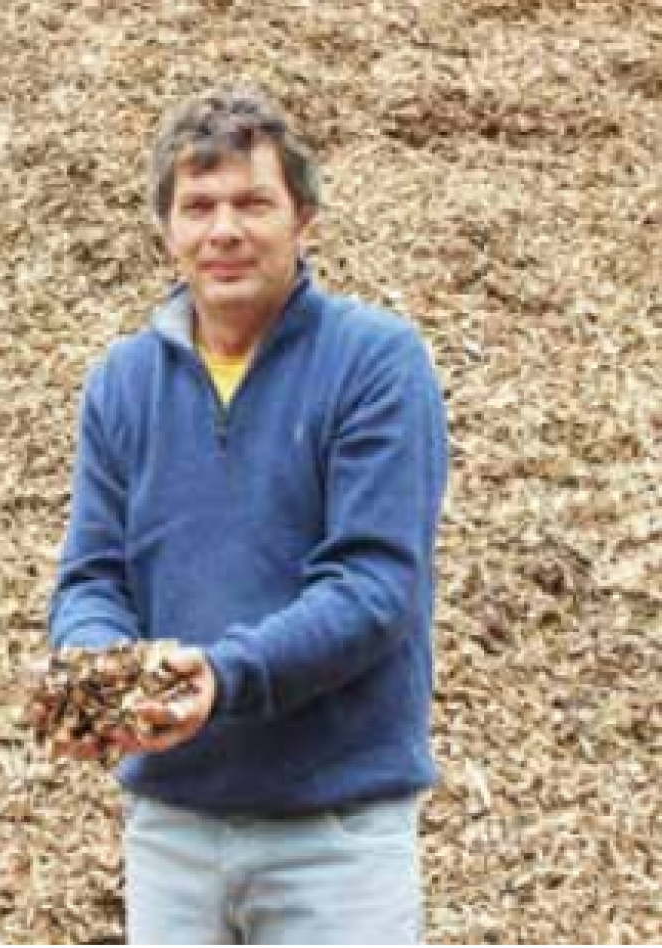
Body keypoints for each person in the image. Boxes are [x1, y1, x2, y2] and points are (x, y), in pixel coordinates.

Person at [44, 86, 449, 944]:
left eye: (252, 203)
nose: (223, 230)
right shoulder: (122, 383)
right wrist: (94, 670)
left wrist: (221, 680)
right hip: (171, 832)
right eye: (198, 206)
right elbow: (94, 574)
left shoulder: (374, 364)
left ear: (304, 220)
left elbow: (375, 586)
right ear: (167, 230)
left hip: (335, 836)